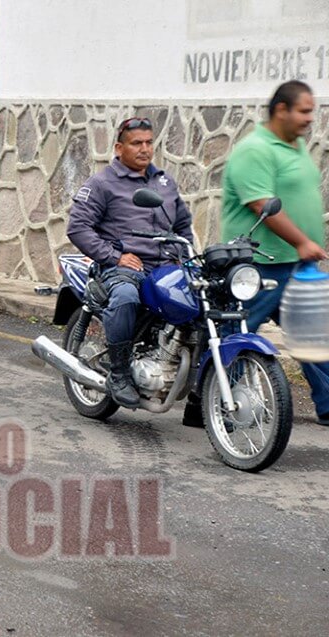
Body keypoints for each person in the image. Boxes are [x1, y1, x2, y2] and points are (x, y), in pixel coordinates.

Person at [220, 80, 329, 426]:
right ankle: (214, 404)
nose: (310, 118)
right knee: (237, 338)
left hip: (295, 266)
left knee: (314, 337)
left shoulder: (296, 146)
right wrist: (302, 241)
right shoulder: (255, 150)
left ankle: (328, 404)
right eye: (304, 111)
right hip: (258, 265)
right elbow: (260, 204)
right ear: (281, 109)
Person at [67, 116, 194, 408]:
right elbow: (78, 227)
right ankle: (119, 373)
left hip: (166, 268)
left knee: (210, 296)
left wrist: (186, 260)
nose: (144, 149)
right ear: (119, 148)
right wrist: (115, 257)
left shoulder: (164, 181)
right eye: (137, 143)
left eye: (149, 142)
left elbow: (183, 226)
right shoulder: (102, 183)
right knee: (125, 297)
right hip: (122, 268)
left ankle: (200, 394)